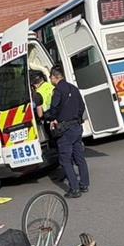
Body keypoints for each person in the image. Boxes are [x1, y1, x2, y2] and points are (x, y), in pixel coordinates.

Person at [43, 65, 89, 198]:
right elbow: (82, 106)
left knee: (65, 160)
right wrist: (77, 118)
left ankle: (74, 189)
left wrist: (48, 117)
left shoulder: (58, 90)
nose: (50, 79)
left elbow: (54, 108)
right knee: (79, 157)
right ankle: (84, 184)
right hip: (76, 127)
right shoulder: (74, 88)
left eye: (51, 77)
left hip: (65, 129)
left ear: (55, 77)